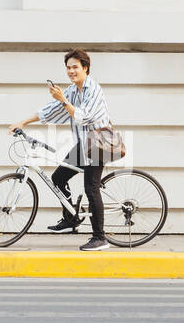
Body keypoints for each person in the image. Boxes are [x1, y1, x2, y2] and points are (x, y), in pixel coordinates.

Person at [8, 48, 111, 251]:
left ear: (85, 68)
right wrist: (24, 122)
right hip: (84, 144)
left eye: (75, 67)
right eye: (68, 68)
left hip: (100, 143)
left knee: (91, 188)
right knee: (58, 178)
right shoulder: (73, 90)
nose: (71, 71)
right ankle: (72, 217)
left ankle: (100, 238)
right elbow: (51, 110)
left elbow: (84, 116)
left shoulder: (94, 90)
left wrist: (63, 100)